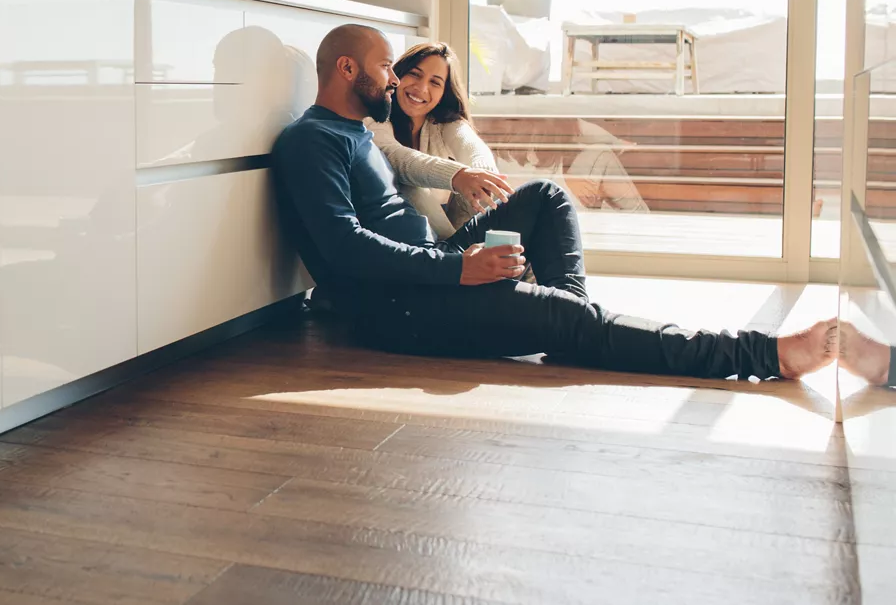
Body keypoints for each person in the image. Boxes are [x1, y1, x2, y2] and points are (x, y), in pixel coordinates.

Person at [272, 23, 835, 380]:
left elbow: (422, 175)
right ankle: (764, 356)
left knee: (547, 196)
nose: (394, 80)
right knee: (568, 318)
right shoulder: (310, 141)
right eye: (385, 68)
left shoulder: (360, 135)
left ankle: (565, 324)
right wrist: (458, 269)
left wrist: (457, 259)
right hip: (399, 310)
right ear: (347, 69)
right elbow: (344, 249)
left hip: (431, 275)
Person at [365, 41, 508, 240]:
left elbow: (473, 149)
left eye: (435, 82)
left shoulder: (444, 123)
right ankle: (456, 255)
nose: (421, 88)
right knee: (409, 184)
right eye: (415, 74)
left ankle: (498, 256)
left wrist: (482, 176)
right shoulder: (375, 119)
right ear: (398, 75)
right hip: (396, 231)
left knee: (547, 193)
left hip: (448, 226)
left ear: (443, 93)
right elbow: (397, 157)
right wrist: (458, 175)